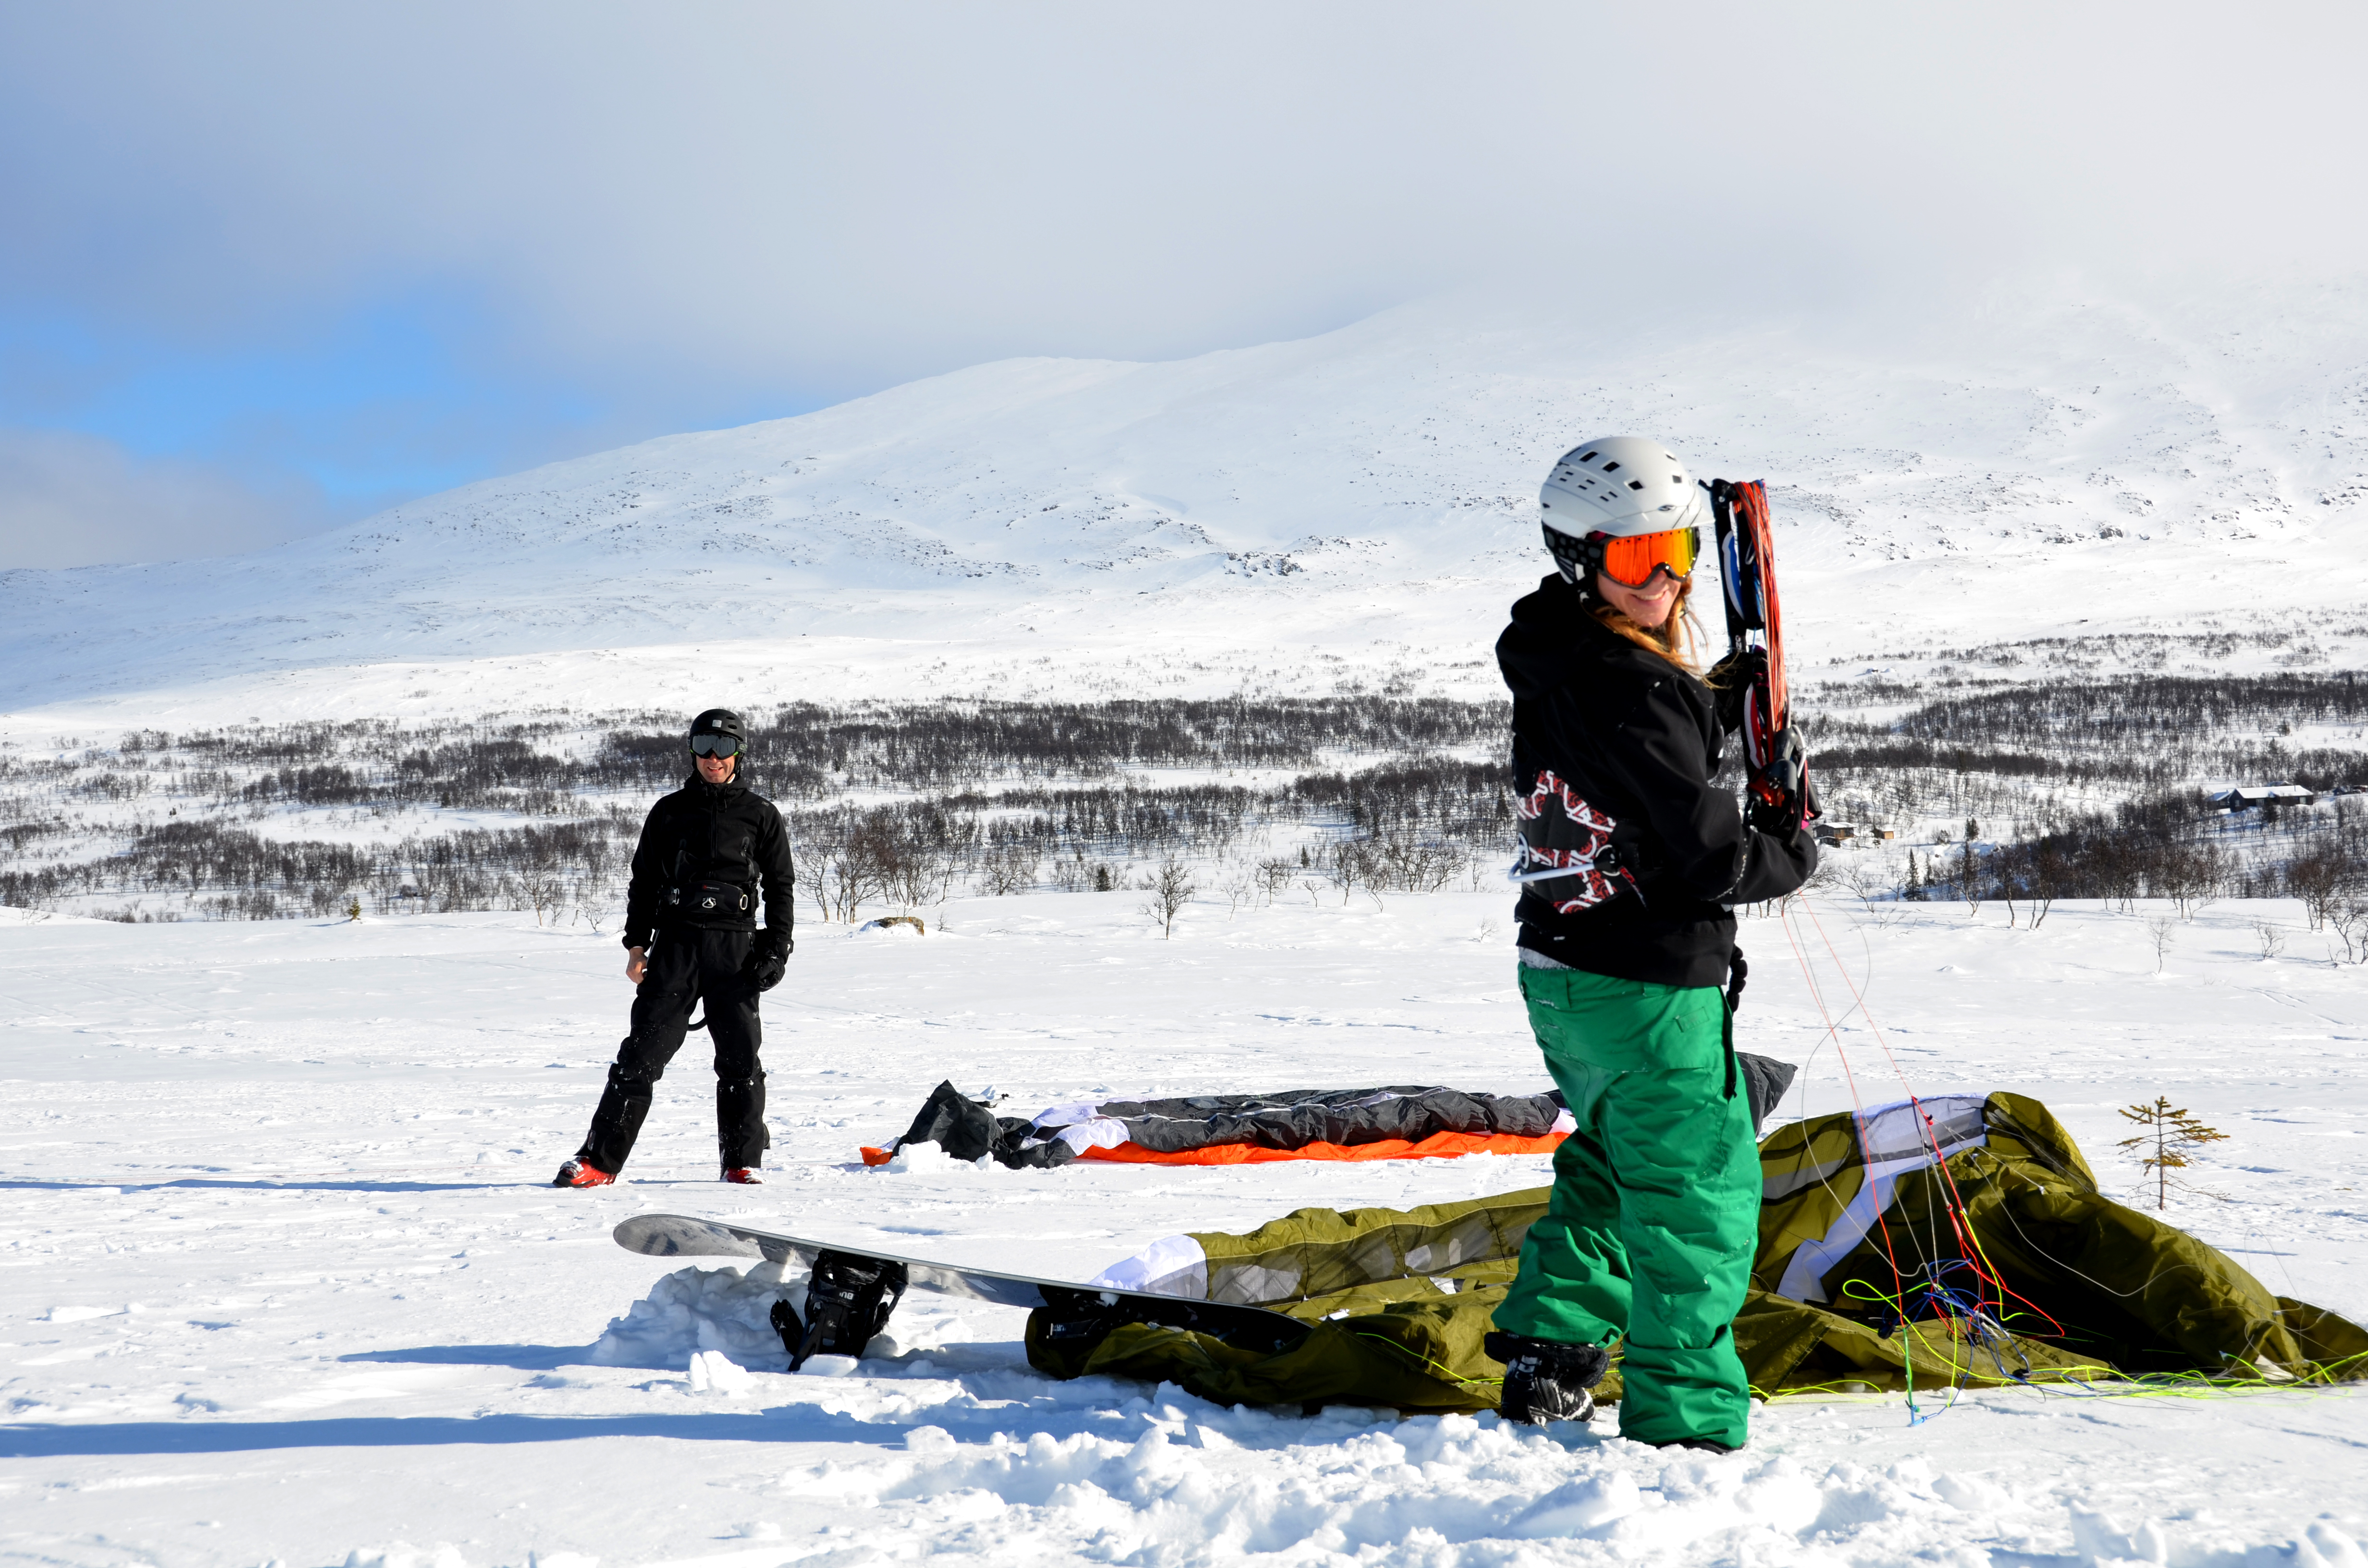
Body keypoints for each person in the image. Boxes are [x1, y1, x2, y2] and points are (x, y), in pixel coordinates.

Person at [1483, 436, 1817, 1452]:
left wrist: (1713, 704)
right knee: (1696, 1202)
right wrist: (1790, 851)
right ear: (1583, 559)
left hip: (1564, 978)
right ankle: (1686, 1422)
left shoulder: (1557, 654)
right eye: (1636, 561)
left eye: (1675, 549)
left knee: (1617, 1160)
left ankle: (1552, 1348)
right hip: (1647, 983)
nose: (1666, 578)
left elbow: (1632, 754)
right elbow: (1704, 860)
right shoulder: (1632, 685)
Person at [555, 708, 795, 1188]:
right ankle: (599, 1162)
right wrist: (636, 946)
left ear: (739, 754)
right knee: (639, 1058)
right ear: (691, 751)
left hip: (735, 952)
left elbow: (781, 886)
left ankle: (742, 1163)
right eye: (704, 747)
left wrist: (775, 952)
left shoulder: (760, 815)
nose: (714, 758)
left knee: (740, 1062)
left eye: (724, 748)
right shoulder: (668, 812)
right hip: (676, 947)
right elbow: (644, 882)